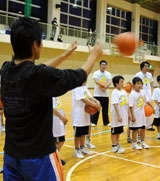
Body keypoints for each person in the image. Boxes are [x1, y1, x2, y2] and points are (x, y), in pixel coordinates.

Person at [1, 17, 103, 180]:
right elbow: (79, 75)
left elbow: (36, 71)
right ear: (35, 44)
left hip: (12, 156)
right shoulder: (39, 76)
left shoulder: (6, 69)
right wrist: (94, 56)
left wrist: (64, 55)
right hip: (39, 157)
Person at [72, 82, 101, 159]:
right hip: (78, 114)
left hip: (85, 113)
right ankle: (76, 150)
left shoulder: (84, 87)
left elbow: (90, 97)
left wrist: (97, 101)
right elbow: (83, 100)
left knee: (84, 132)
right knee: (78, 133)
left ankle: (82, 147)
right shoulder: (76, 87)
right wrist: (95, 105)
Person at [129, 77, 154, 150]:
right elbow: (131, 106)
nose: (139, 85)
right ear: (133, 85)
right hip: (135, 114)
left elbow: (147, 101)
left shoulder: (143, 92)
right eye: (137, 84)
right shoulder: (132, 94)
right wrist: (132, 116)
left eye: (140, 83)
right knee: (135, 130)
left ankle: (143, 142)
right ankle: (134, 143)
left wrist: (152, 107)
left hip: (142, 114)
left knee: (143, 129)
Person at [111, 75, 130, 153]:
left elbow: (127, 103)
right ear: (116, 83)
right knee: (114, 130)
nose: (123, 84)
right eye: (121, 82)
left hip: (123, 114)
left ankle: (117, 143)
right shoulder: (114, 92)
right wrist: (118, 115)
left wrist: (128, 113)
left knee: (119, 130)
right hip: (116, 115)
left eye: (123, 82)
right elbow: (115, 104)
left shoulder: (124, 92)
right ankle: (114, 146)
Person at [134, 61, 154, 131]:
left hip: (148, 95)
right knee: (141, 109)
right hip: (141, 95)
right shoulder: (138, 75)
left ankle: (148, 125)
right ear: (142, 67)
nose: (147, 67)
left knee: (149, 109)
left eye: (148, 66)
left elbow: (151, 83)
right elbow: (134, 84)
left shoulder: (149, 75)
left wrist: (150, 91)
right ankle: (140, 124)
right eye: (145, 66)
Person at [92, 60, 112, 127]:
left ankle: (106, 122)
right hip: (97, 94)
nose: (104, 66)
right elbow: (96, 80)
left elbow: (109, 81)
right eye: (102, 64)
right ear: (100, 65)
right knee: (96, 108)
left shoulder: (108, 73)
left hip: (105, 95)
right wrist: (103, 85)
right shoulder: (96, 73)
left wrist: (106, 86)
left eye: (105, 65)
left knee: (105, 110)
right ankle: (94, 122)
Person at [52, 97, 68, 165]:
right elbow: (52, 109)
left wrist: (65, 116)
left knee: (59, 141)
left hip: (59, 120)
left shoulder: (56, 95)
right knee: (59, 141)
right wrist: (62, 117)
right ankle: (54, 159)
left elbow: (59, 107)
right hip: (55, 121)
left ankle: (55, 158)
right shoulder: (51, 96)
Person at [151, 75, 160, 140]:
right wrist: (159, 106)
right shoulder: (156, 90)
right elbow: (155, 99)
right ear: (158, 82)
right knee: (157, 120)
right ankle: (158, 133)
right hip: (158, 107)